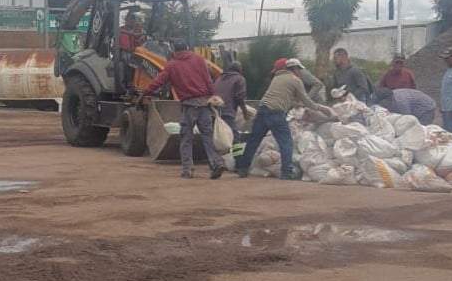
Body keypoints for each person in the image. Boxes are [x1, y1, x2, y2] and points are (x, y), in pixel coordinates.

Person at [236, 58, 334, 180]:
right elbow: (306, 100)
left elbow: (281, 96)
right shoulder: (295, 80)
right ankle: (286, 172)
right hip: (276, 113)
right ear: (294, 69)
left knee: (253, 140)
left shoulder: (276, 78)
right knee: (286, 142)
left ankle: (243, 168)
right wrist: (321, 109)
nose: (300, 72)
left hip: (262, 111)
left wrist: (293, 103)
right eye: (299, 69)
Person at [141, 39, 224, 179]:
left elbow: (159, 81)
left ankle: (188, 170)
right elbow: (208, 80)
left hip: (189, 106)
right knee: (207, 137)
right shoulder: (199, 60)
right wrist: (212, 96)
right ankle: (215, 163)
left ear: (173, 49)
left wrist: (145, 93)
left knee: (186, 138)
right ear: (186, 47)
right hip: (204, 104)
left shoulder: (172, 65)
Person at [214, 61, 249, 140]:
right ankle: (237, 152)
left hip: (215, 111)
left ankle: (223, 152)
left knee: (221, 136)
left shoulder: (219, 79)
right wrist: (245, 112)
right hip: (227, 110)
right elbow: (239, 97)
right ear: (240, 70)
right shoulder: (240, 79)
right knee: (234, 135)